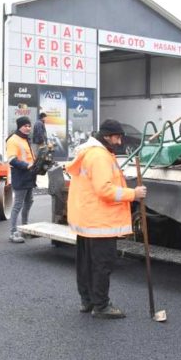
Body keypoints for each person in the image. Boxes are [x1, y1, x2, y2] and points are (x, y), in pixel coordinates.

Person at [66, 119, 147, 319]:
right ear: (106, 137)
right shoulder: (100, 157)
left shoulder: (88, 153)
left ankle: (87, 301)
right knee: (102, 264)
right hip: (100, 220)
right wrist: (133, 194)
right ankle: (101, 306)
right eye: (117, 137)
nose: (119, 142)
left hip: (87, 219)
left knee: (85, 263)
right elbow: (104, 190)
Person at [5, 116, 36, 243]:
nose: (28, 128)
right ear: (20, 126)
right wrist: (27, 166)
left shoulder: (25, 139)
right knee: (18, 204)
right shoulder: (13, 140)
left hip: (29, 174)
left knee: (29, 201)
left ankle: (25, 228)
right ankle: (13, 232)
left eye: (29, 126)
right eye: (25, 126)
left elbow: (29, 157)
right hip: (20, 174)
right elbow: (12, 159)